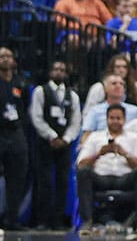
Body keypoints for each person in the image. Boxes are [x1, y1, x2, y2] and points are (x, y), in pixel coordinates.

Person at [75, 104, 137, 236]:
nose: (115, 121)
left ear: (124, 119)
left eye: (118, 118)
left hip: (124, 177)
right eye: (112, 118)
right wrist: (99, 154)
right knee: (83, 173)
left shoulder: (134, 138)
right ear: (106, 119)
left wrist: (125, 154)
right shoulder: (95, 137)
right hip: (101, 177)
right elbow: (81, 164)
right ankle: (87, 221)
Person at [30, 59, 81, 229]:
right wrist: (51, 135)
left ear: (66, 74)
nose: (59, 72)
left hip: (64, 144)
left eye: (62, 70)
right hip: (45, 142)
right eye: (56, 69)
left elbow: (76, 121)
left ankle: (58, 220)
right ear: (50, 72)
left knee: (62, 181)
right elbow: (36, 116)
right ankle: (42, 219)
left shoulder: (72, 95)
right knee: (44, 180)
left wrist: (66, 138)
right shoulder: (40, 91)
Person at [0, 47, 29, 230]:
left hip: (16, 131)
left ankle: (12, 219)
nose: (4, 59)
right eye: (1, 56)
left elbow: (24, 107)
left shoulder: (20, 83)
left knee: (17, 177)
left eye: (8, 56)